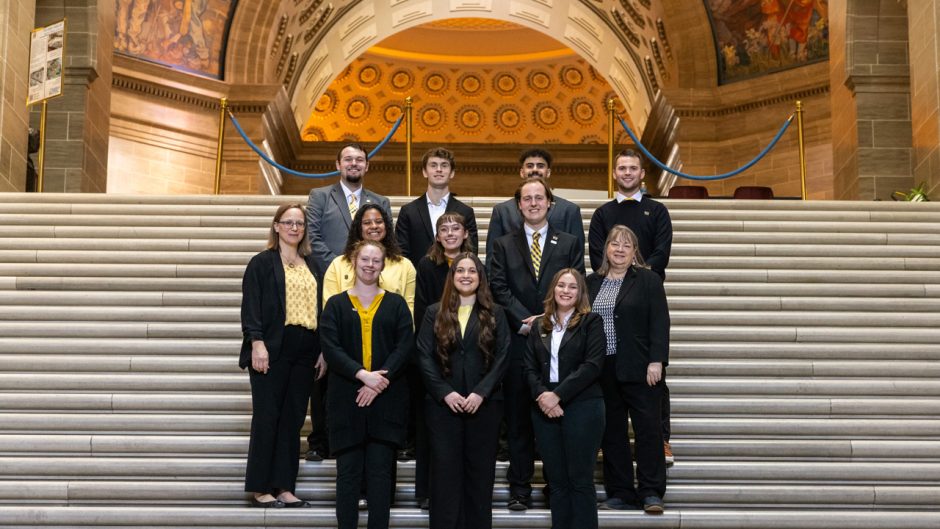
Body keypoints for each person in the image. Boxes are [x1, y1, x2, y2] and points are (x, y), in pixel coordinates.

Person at [488, 177, 585, 511]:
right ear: (518, 206)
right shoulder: (502, 243)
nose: (532, 203)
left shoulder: (569, 241)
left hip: (559, 342)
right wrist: (526, 319)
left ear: (549, 203)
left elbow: (575, 284)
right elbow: (498, 286)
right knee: (516, 420)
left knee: (555, 417)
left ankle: (553, 485)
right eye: (526, 198)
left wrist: (544, 319)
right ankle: (519, 488)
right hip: (517, 341)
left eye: (538, 198)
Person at [587, 148, 676, 465]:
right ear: (614, 173)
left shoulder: (657, 210)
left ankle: (661, 440)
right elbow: (598, 252)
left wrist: (639, 279)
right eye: (621, 168)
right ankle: (603, 443)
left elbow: (661, 251)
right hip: (610, 296)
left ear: (642, 174)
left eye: (632, 168)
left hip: (644, 299)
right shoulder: (603, 214)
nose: (626, 172)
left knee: (654, 380)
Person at [305, 143, 392, 463]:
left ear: (367, 166)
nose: (354, 164)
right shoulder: (319, 196)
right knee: (325, 366)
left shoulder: (379, 202)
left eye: (360, 159)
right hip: (330, 286)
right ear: (338, 164)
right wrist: (346, 265)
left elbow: (386, 243)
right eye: (348, 159)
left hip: (372, 292)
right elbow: (311, 238)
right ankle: (318, 439)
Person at [319, 239, 414, 529]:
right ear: (353, 262)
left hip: (387, 399)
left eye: (376, 260)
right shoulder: (335, 304)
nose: (370, 265)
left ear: (383, 265)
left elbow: (405, 345)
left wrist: (378, 381)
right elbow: (331, 348)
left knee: (381, 476)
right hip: (346, 400)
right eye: (365, 260)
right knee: (347, 476)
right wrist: (363, 376)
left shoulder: (396, 303)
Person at [416, 253, 510, 529]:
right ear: (452, 276)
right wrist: (445, 392)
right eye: (460, 271)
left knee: (480, 476)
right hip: (443, 407)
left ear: (480, 278)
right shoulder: (435, 312)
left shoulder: (496, 313)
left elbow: (504, 355)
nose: (466, 275)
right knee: (444, 476)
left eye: (472, 271)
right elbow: (423, 355)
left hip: (485, 406)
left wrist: (481, 392)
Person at [239, 203, 319, 508]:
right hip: (272, 347)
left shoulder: (313, 265)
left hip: (306, 349)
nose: (295, 228)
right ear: (276, 226)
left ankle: (285, 486)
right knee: (267, 417)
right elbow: (251, 307)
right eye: (288, 222)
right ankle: (261, 487)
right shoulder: (262, 262)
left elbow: (321, 310)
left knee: (293, 421)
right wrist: (256, 342)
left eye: (300, 223)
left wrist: (322, 351)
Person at [587, 225, 670, 514]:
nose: (619, 250)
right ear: (605, 249)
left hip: (640, 367)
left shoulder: (647, 280)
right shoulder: (591, 283)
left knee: (648, 431)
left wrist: (656, 360)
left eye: (626, 245)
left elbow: (660, 322)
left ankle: (650, 492)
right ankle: (620, 492)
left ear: (634, 251)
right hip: (603, 369)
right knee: (612, 433)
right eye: (614, 244)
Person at [524, 269, 606, 529]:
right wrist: (543, 396)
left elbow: (592, 366)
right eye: (561, 285)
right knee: (557, 484)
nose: (566, 291)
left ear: (580, 292)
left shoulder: (591, 322)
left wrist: (557, 395)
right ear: (553, 290)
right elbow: (529, 368)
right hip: (544, 409)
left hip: (583, 406)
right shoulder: (539, 325)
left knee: (580, 482)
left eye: (572, 287)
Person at [410, 212, 475, 509]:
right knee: (429, 429)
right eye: (444, 229)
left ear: (465, 234)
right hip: (436, 350)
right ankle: (426, 491)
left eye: (456, 228)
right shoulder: (427, 264)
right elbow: (422, 306)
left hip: (468, 351)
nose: (450, 233)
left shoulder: (474, 266)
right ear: (437, 236)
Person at [485, 148, 584, 268]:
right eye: (530, 166)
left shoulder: (570, 210)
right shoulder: (502, 211)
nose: (535, 169)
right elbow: (492, 259)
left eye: (540, 166)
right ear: (522, 172)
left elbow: (577, 258)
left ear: (548, 172)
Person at [322, 203, 416, 314]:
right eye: (367, 223)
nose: (374, 226)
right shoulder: (338, 264)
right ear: (359, 228)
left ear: (386, 226)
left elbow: (408, 312)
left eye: (379, 221)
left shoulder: (405, 265)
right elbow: (329, 312)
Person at [395, 147, 479, 262]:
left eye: (444, 165)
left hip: (455, 276)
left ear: (452, 173)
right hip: (417, 278)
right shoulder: (408, 211)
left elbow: (471, 252)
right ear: (424, 172)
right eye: (433, 165)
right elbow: (402, 254)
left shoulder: (466, 212)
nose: (439, 169)